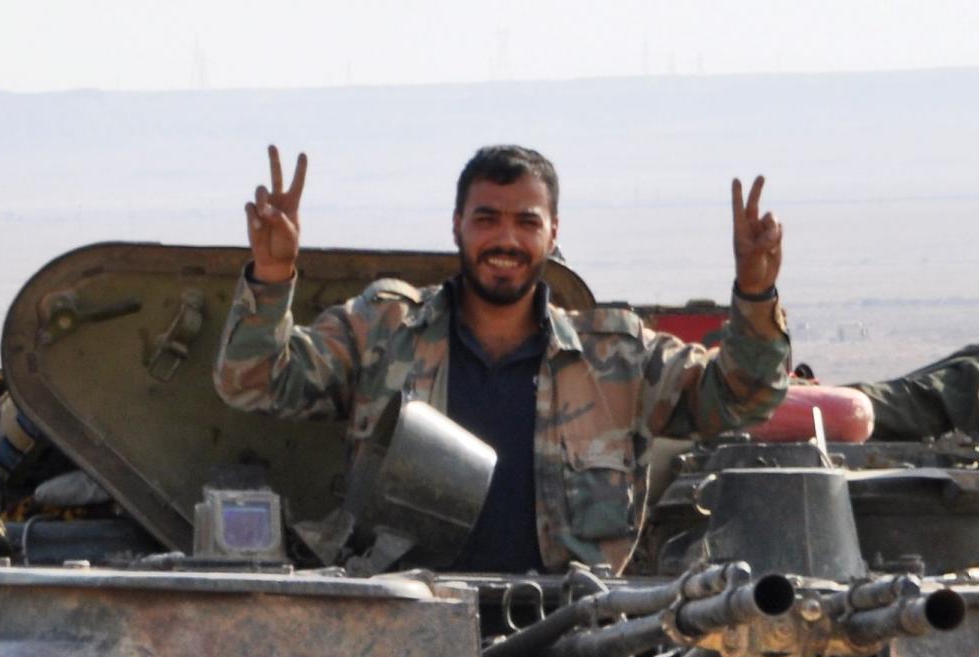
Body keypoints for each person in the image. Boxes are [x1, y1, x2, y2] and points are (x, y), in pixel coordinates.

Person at [214, 143, 792, 574]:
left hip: (567, 637)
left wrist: (755, 295)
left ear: (553, 232)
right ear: (457, 226)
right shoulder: (384, 329)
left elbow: (746, 395)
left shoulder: (615, 358)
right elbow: (255, 383)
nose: (505, 240)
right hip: (410, 621)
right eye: (486, 218)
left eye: (526, 222)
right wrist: (271, 275)